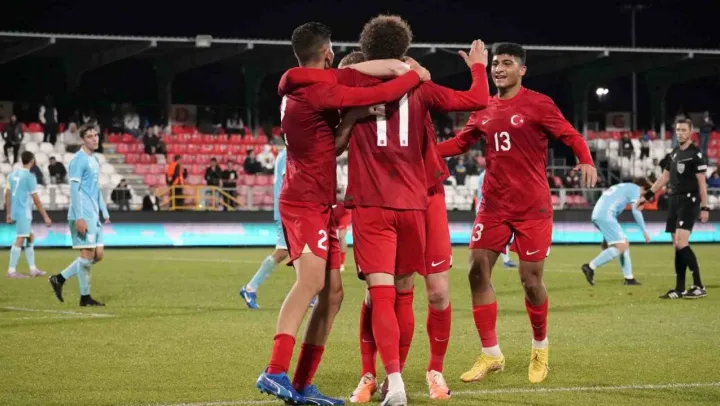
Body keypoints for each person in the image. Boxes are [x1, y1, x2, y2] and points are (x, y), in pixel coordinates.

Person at [288, 24, 489, 403]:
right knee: (390, 293)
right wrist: (476, 67)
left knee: (428, 293)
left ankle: (418, 374)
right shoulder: (412, 81)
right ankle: (373, 375)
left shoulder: (363, 85)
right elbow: (476, 99)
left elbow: (312, 93)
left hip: (416, 196)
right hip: (399, 199)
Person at [255, 21, 424, 406]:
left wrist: (355, 111)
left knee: (332, 295)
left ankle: (301, 384)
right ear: (328, 52)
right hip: (304, 203)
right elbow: (385, 90)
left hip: (319, 202)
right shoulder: (318, 90)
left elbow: (362, 77)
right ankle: (275, 371)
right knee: (311, 283)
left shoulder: (306, 84)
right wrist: (414, 75)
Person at [436, 42, 596, 385]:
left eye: (506, 63)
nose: (498, 68)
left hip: (532, 208)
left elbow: (570, 135)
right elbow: (461, 143)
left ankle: (540, 347)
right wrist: (424, 151)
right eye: (495, 63)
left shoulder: (539, 103)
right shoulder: (482, 105)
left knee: (530, 281)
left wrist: (585, 159)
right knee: (476, 272)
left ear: (522, 70)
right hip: (493, 206)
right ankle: (491, 353)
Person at [638, 118, 710, 299]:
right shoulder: (675, 153)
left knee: (681, 243)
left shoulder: (695, 154)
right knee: (677, 246)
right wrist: (647, 196)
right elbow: (664, 178)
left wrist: (705, 207)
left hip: (689, 200)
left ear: (691, 132)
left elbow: (702, 184)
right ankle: (680, 288)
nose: (680, 133)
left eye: (684, 130)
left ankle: (699, 285)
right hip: (674, 201)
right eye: (678, 130)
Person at [48, 125, 110, 307]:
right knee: (87, 255)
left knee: (98, 255)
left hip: (94, 213)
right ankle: (85, 297)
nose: (94, 138)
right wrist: (79, 217)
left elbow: (95, 188)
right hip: (83, 213)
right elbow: (74, 190)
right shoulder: (78, 160)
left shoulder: (94, 160)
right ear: (83, 139)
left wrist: (104, 209)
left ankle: (59, 278)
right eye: (90, 136)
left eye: (96, 135)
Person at [240, 149, 290, 309]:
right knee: (284, 251)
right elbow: (289, 181)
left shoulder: (285, 152)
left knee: (299, 251)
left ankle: (308, 292)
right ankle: (250, 288)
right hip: (288, 210)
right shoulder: (289, 153)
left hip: (289, 209)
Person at [581, 179, 652, 286]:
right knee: (622, 245)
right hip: (606, 215)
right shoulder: (635, 189)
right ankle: (590, 267)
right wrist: (644, 231)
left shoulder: (621, 187)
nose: (642, 197)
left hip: (598, 215)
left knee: (623, 244)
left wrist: (606, 238)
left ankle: (629, 279)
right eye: (644, 194)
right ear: (642, 187)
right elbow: (636, 211)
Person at [5, 151, 52, 278]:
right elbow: (35, 199)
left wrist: (8, 213)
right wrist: (45, 216)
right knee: (20, 238)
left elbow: (7, 194)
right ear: (32, 160)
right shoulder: (30, 177)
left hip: (15, 211)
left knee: (30, 237)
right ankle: (11, 271)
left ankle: (33, 269)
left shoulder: (12, 175)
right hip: (23, 212)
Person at [477, 170, 517, 268]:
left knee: (494, 236)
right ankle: (502, 260)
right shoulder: (489, 174)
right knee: (497, 236)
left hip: (486, 207)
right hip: (488, 208)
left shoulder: (485, 174)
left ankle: (503, 259)